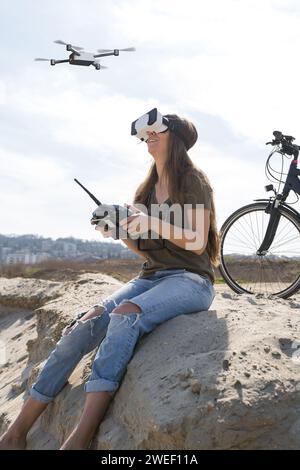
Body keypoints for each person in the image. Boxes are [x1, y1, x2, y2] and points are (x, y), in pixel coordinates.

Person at [0, 113, 220, 450]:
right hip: (152, 277)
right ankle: (17, 431)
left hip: (192, 280)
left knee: (125, 314)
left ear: (174, 137)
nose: (148, 137)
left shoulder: (193, 180)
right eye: (144, 134)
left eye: (155, 131)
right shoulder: (146, 190)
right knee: (81, 328)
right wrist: (117, 231)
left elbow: (196, 242)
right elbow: (146, 252)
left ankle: (81, 434)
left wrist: (151, 220)